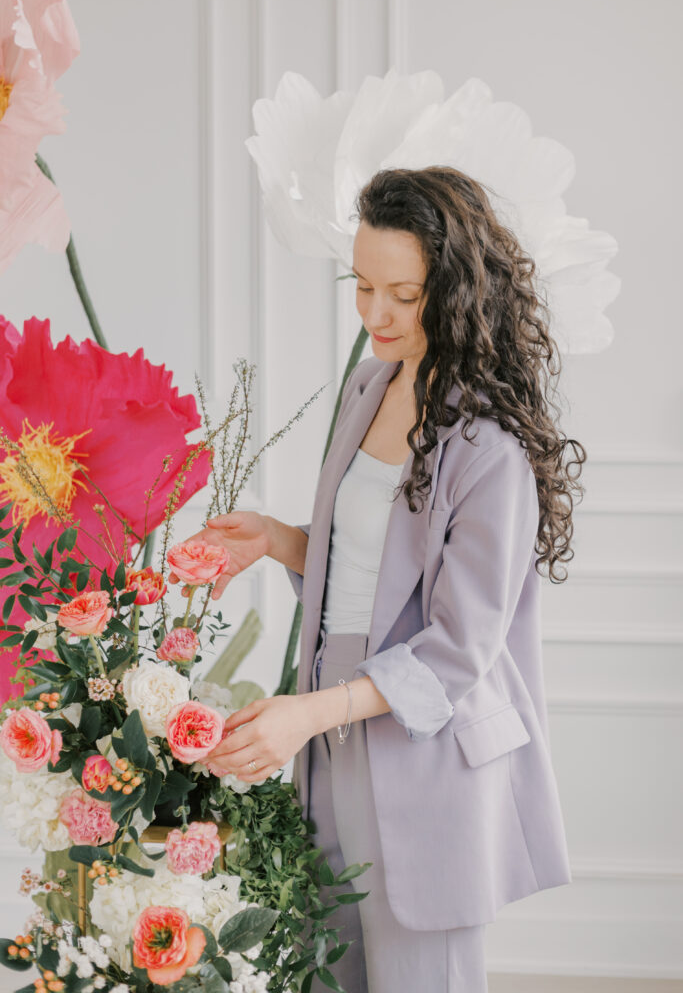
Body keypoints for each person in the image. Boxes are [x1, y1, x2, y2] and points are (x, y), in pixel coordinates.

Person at [168, 166, 585, 992]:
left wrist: (309, 714)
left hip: (421, 743)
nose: (375, 315)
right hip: (331, 721)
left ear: (457, 292)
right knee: (331, 969)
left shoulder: (490, 450)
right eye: (362, 286)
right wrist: (279, 539)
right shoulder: (370, 385)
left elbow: (459, 648)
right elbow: (371, 570)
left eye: (403, 294)